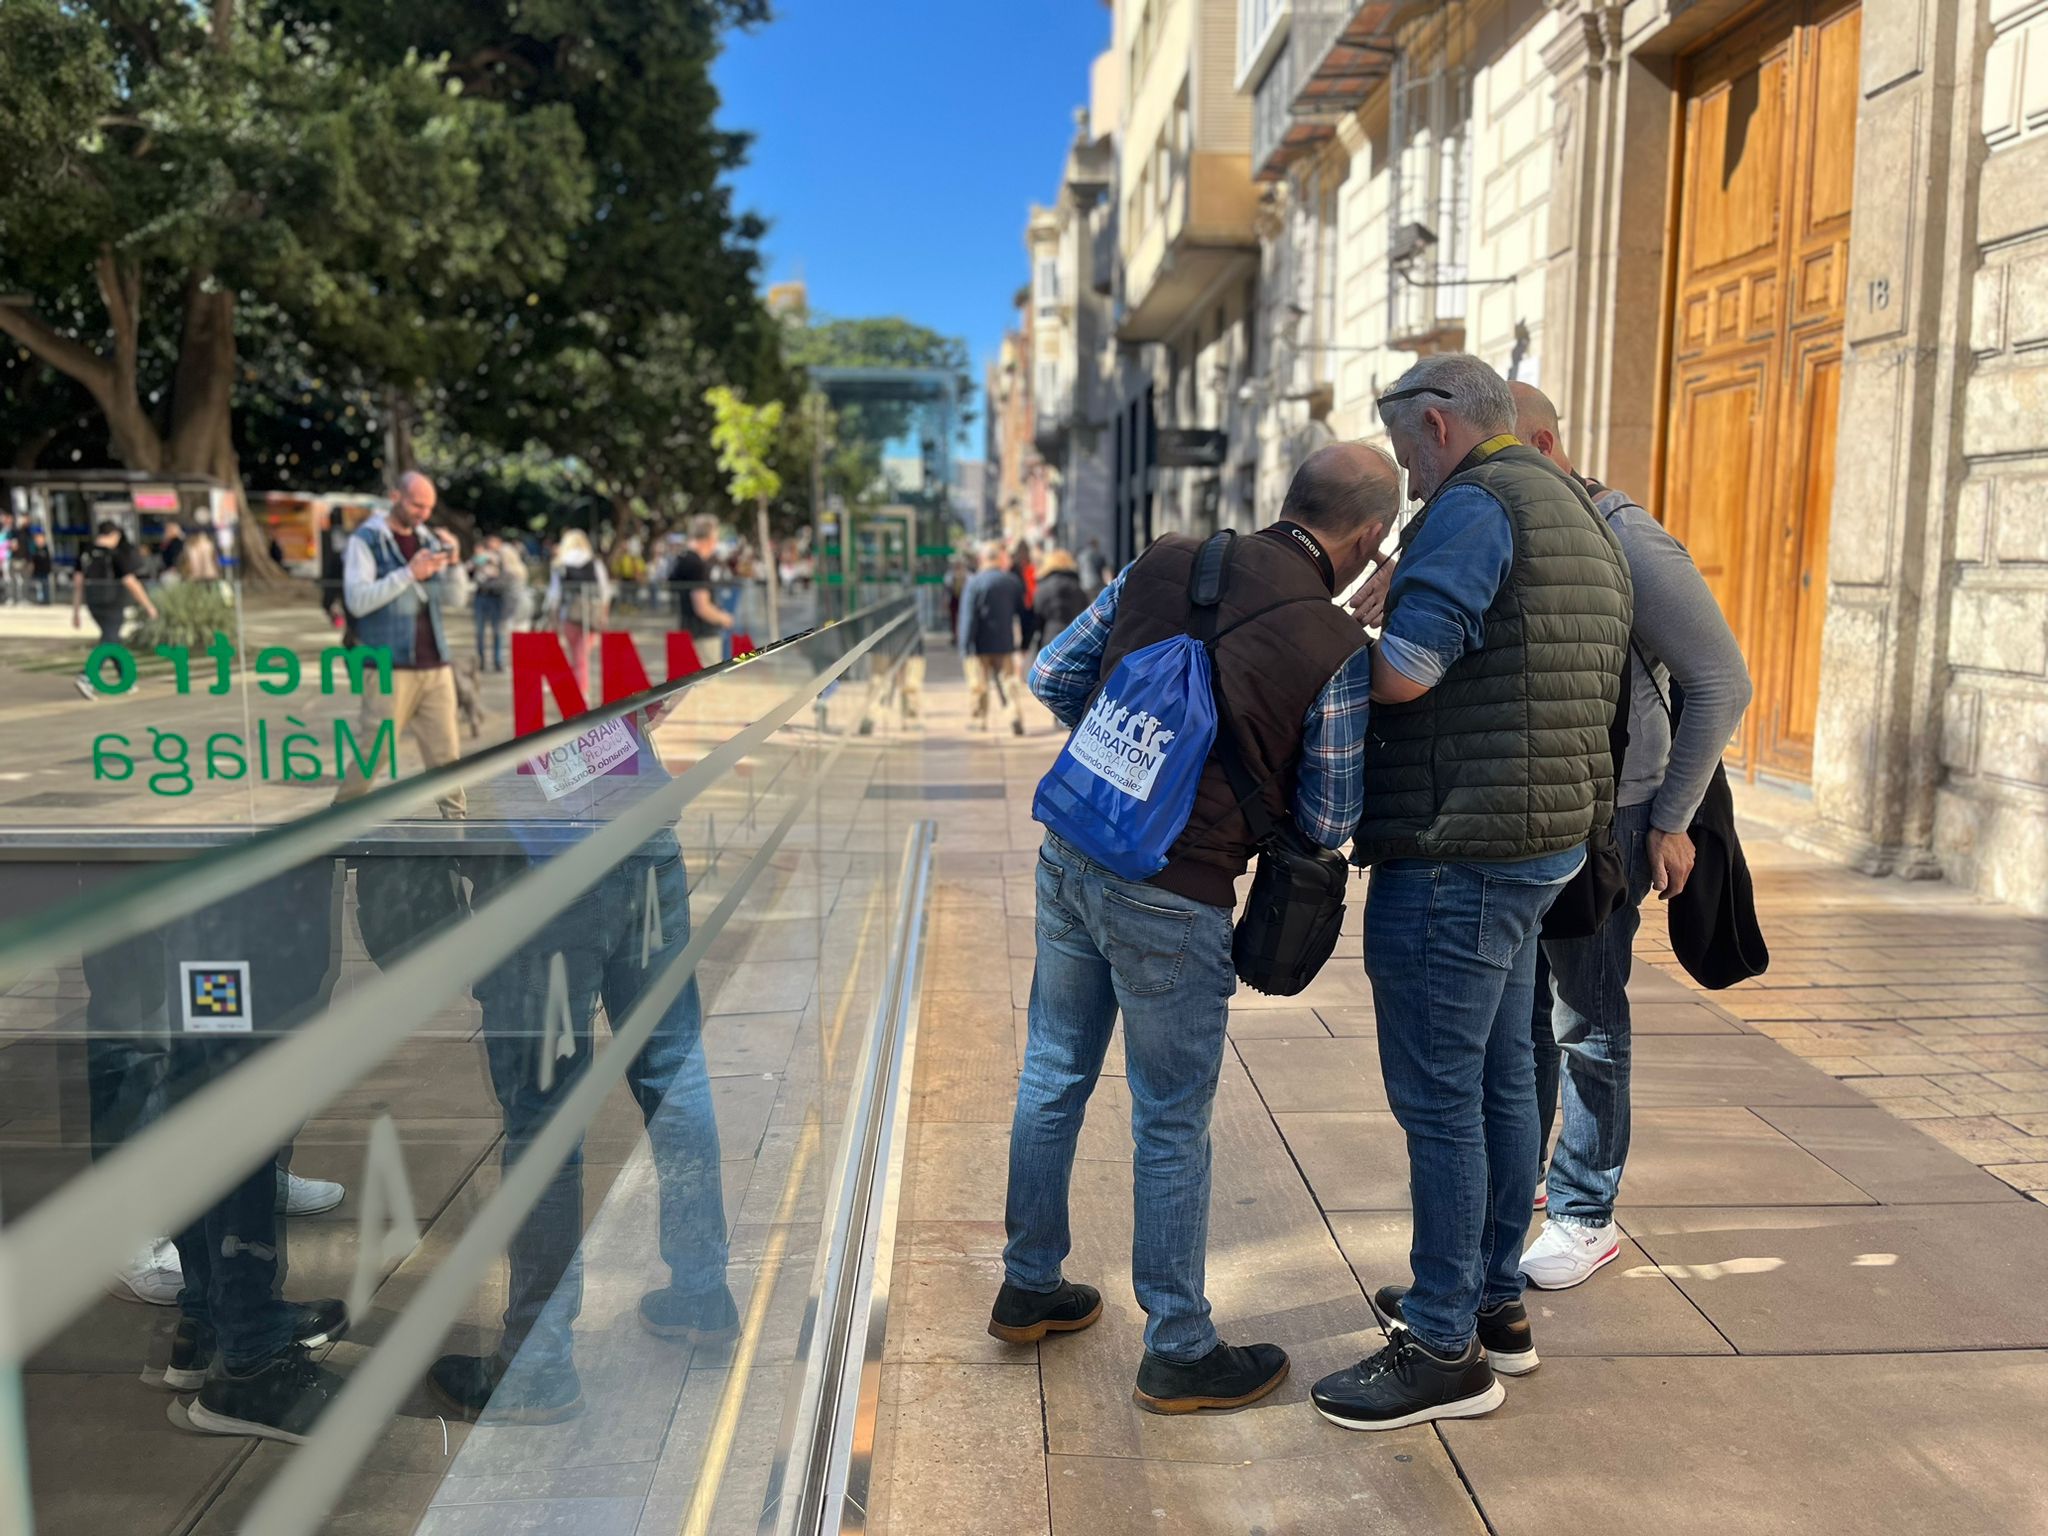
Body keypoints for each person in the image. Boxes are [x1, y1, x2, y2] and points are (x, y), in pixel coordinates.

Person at [997, 445, 1397, 1415]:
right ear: (1361, 542)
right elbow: (1329, 813)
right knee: (1169, 1114)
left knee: (1052, 1071)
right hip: (1175, 895)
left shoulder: (1163, 558)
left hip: (1073, 850)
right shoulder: (1333, 648)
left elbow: (1053, 676)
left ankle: (1029, 1285)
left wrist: (1133, 749)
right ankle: (1175, 1345)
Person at [1310, 353, 1631, 1434]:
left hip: (1457, 842)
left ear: (1437, 426)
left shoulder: (1475, 503)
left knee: (1437, 1096)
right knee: (1499, 1075)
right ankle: (1494, 1302)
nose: (1403, 477)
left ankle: (1443, 1342)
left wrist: (1318, 638)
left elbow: (1405, 672)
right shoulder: (1573, 507)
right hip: (1536, 840)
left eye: (1403, 450)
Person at [1509, 381, 1753, 1289]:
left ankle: (1585, 1211)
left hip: (1613, 818)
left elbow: (1723, 682)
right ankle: (1530, 1179)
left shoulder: (1625, 536)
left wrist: (1673, 817)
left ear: (1541, 442)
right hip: (1540, 806)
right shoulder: (1535, 528)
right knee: (1529, 1013)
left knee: (1588, 1019)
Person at [429, 705, 732, 1424]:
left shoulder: (485, 607)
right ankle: (701, 1291)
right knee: (673, 1068)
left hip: (543, 854)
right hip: (636, 821)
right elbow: (656, 685)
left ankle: (536, 1364)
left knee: (545, 1114)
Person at [332, 471, 466, 818]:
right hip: (389, 667)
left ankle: (461, 844)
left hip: (435, 664)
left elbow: (456, 599)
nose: (423, 513)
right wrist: (408, 573)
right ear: (395, 497)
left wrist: (454, 564)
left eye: (429, 507)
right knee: (373, 753)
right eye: (416, 504)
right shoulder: (367, 540)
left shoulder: (429, 539)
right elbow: (357, 600)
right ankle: (334, 829)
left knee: (447, 759)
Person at [72, 520, 158, 699]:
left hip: (94, 602)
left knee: (113, 638)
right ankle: (87, 675)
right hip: (113, 601)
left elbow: (78, 582)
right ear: (115, 535)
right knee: (109, 640)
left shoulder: (85, 553)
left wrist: (76, 610)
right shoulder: (116, 554)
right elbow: (130, 582)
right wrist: (148, 605)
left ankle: (126, 679)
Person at [957, 541, 1029, 735]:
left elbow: (968, 617)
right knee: (1007, 682)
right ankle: (1014, 716)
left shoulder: (974, 583)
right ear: (999, 559)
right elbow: (1024, 614)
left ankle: (979, 720)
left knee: (978, 684)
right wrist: (1024, 642)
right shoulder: (1011, 582)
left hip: (979, 644)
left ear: (982, 559)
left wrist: (964, 646)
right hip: (1004, 643)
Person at [545, 528, 611, 695]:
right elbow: (605, 592)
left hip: (568, 615)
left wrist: (553, 619)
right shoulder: (595, 563)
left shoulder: (560, 564)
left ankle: (577, 690)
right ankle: (582, 691)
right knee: (583, 657)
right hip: (591, 615)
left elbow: (554, 595)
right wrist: (604, 614)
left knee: (574, 655)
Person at [669, 515, 736, 659]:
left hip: (684, 633)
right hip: (703, 637)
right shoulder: (697, 564)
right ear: (710, 537)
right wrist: (724, 619)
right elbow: (702, 606)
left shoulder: (682, 559)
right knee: (708, 681)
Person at [469, 534, 512, 672]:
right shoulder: (479, 557)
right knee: (480, 630)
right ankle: (481, 660)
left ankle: (498, 660)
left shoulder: (502, 558)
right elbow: (468, 571)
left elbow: (508, 575)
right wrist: (478, 561)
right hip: (481, 595)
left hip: (496, 596)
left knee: (497, 630)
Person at [1033, 548, 1088, 644]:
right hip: (1073, 637)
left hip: (1050, 638)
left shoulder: (1044, 586)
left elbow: (1037, 614)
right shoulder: (1077, 587)